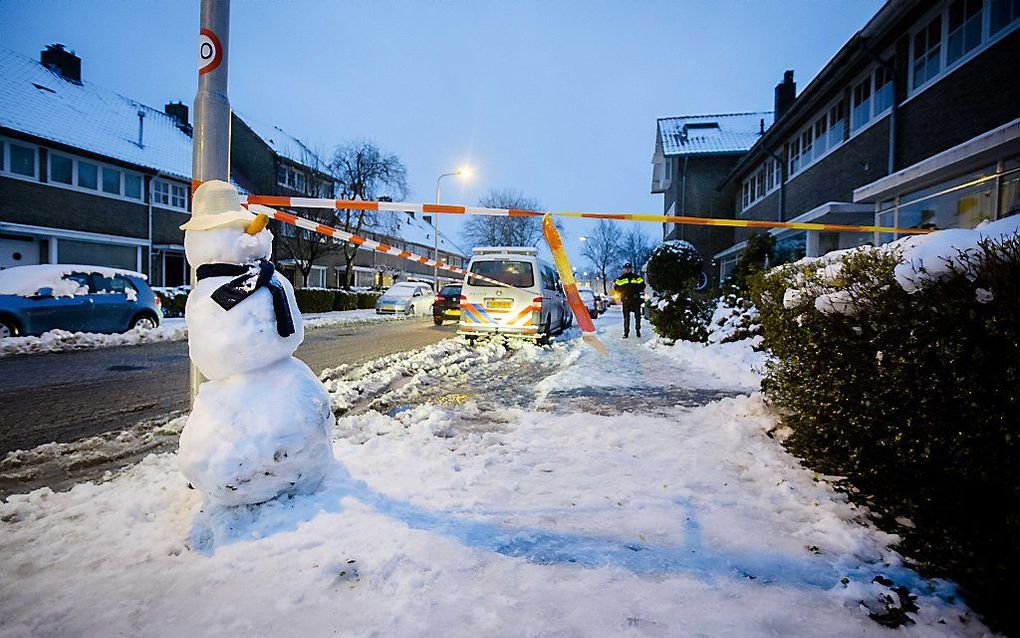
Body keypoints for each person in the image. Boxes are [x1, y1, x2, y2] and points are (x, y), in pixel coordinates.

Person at [613, 262, 645, 338]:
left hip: (635, 299)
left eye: (629, 268)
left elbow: (643, 285)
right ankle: (626, 332)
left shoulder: (637, 277)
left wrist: (636, 291)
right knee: (626, 317)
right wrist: (623, 292)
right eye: (626, 268)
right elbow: (616, 287)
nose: (628, 269)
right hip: (626, 299)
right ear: (624, 269)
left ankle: (638, 330)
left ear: (631, 269)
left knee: (638, 316)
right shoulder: (620, 279)